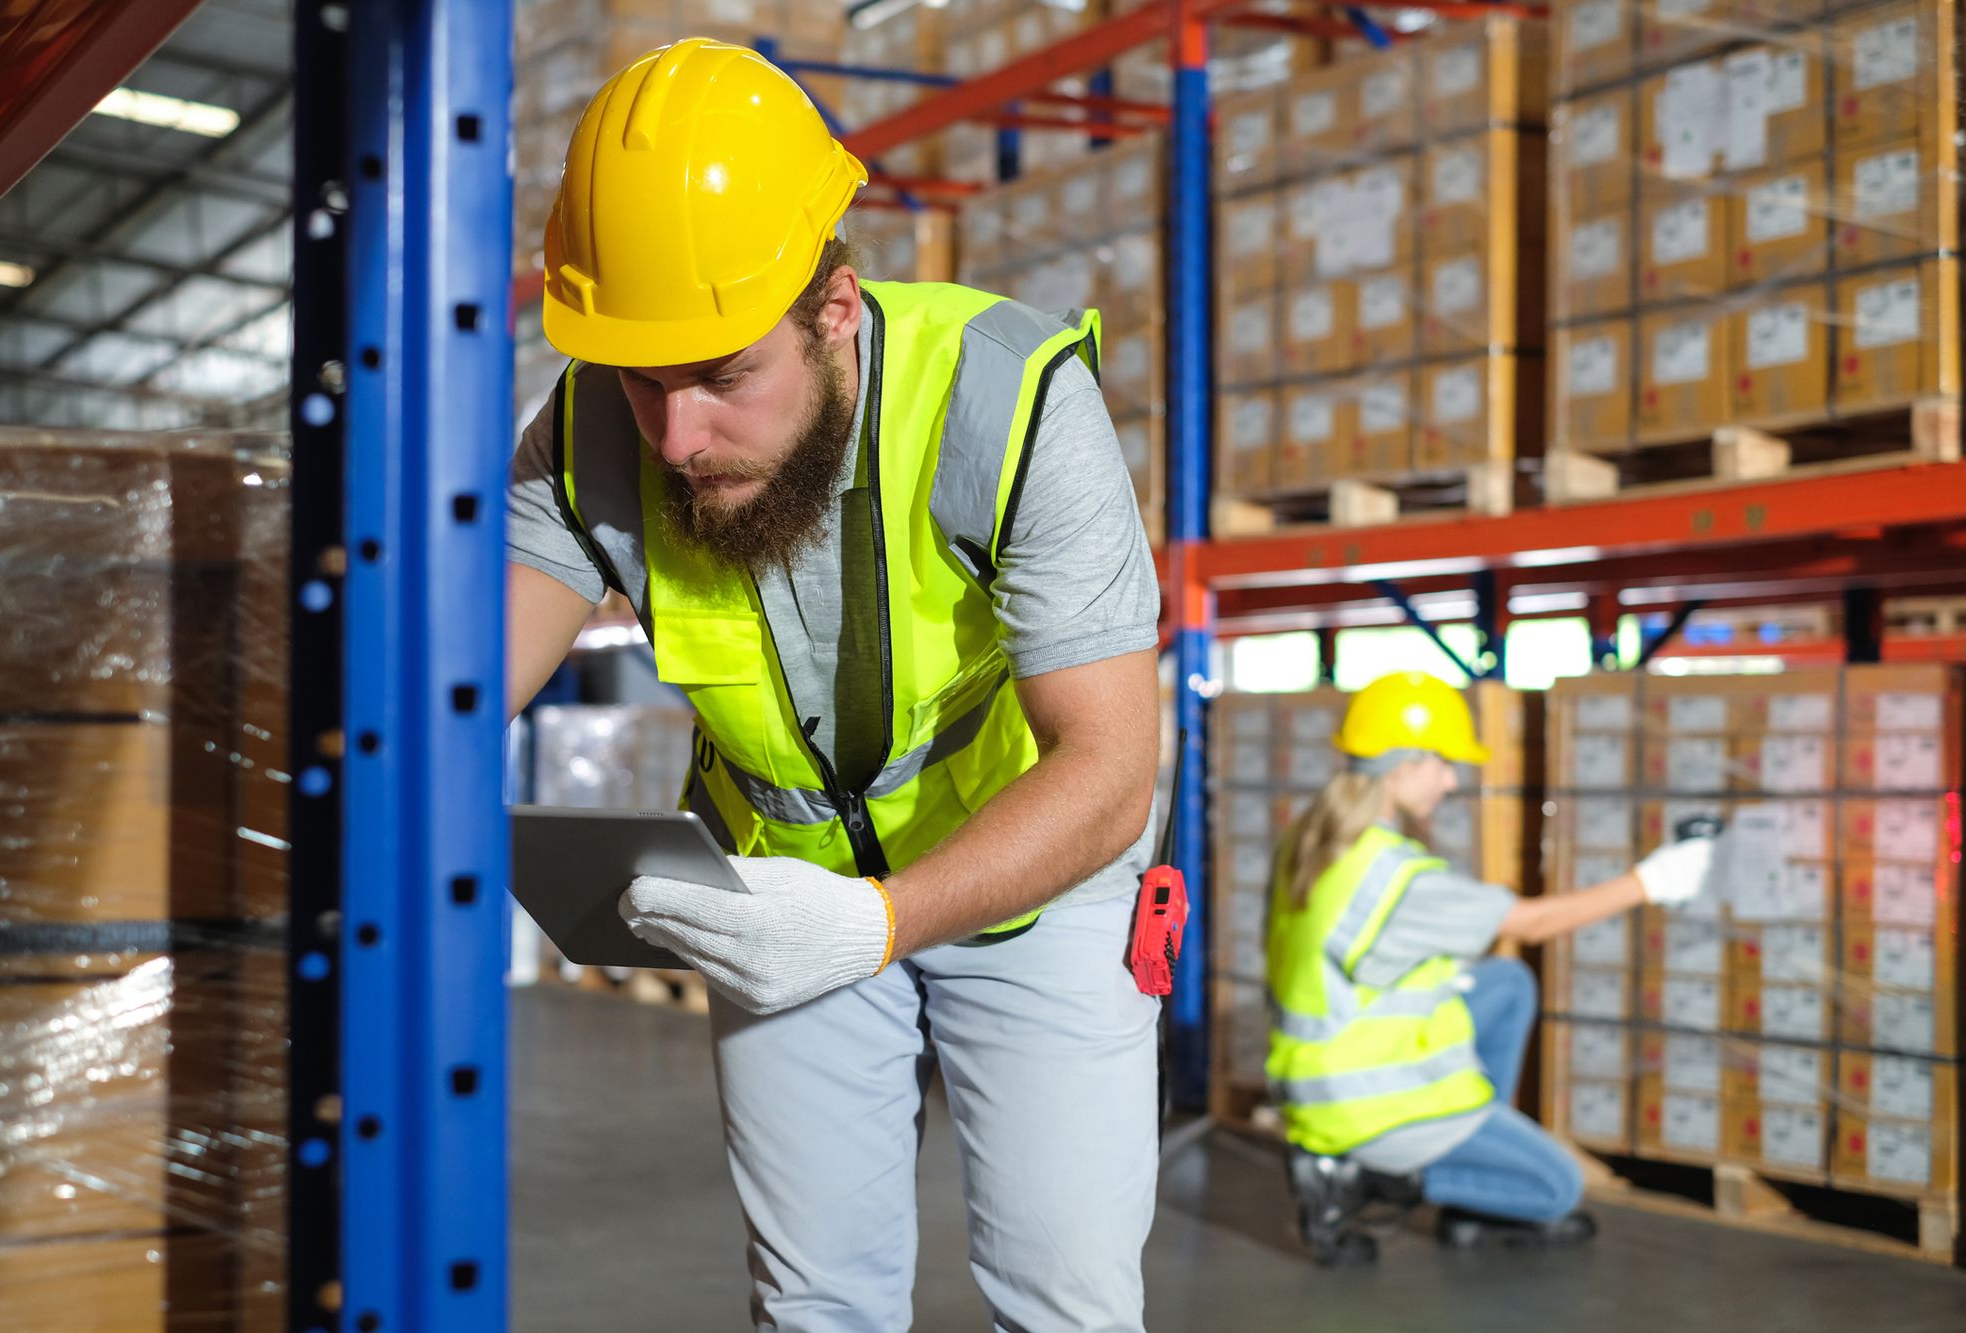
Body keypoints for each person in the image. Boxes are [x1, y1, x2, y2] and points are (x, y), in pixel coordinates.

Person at [503, 39, 1164, 1331]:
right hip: (777, 884)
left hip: (1031, 869)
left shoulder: (1011, 405)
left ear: (837, 312)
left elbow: (1109, 770)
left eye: (726, 376)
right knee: (813, 1306)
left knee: (1067, 1294)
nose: (679, 438)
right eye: (645, 381)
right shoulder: (587, 436)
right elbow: (445, 701)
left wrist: (876, 922)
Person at [1265, 671, 1715, 1266]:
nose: (1452, 782)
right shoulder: (1394, 878)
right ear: (1406, 764)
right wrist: (1655, 880)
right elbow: (1530, 924)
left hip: (1319, 1073)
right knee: (1557, 1188)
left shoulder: (1312, 839)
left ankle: (1462, 1180)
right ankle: (1359, 1178)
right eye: (1445, 764)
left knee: (1505, 985)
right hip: (1368, 1102)